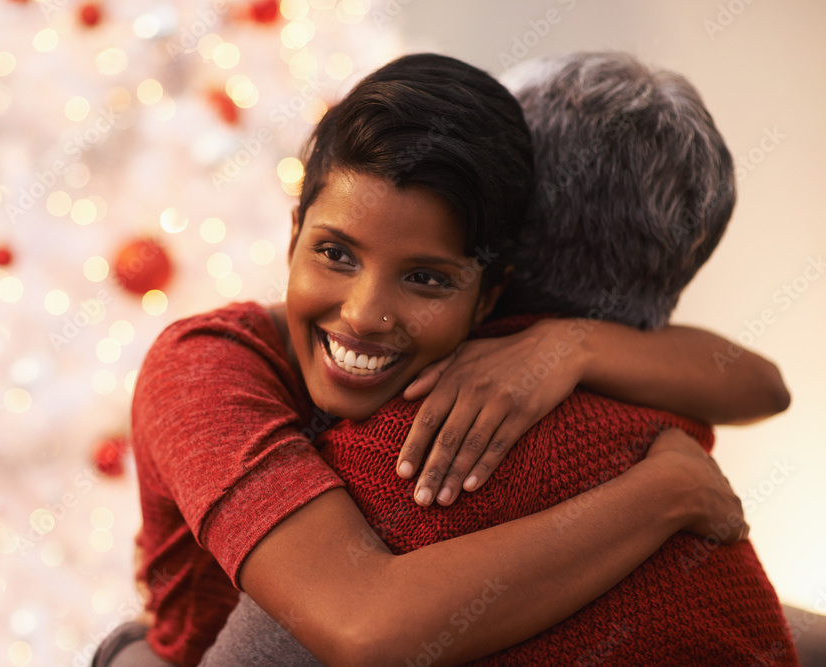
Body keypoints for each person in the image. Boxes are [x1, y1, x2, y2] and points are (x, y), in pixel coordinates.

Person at [95, 53, 781, 667]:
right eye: (335, 252)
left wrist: (574, 344)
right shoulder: (203, 368)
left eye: (425, 278)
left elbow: (762, 384)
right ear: (293, 234)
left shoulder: (487, 364)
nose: (365, 313)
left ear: (490, 296)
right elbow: (362, 623)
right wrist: (665, 494)